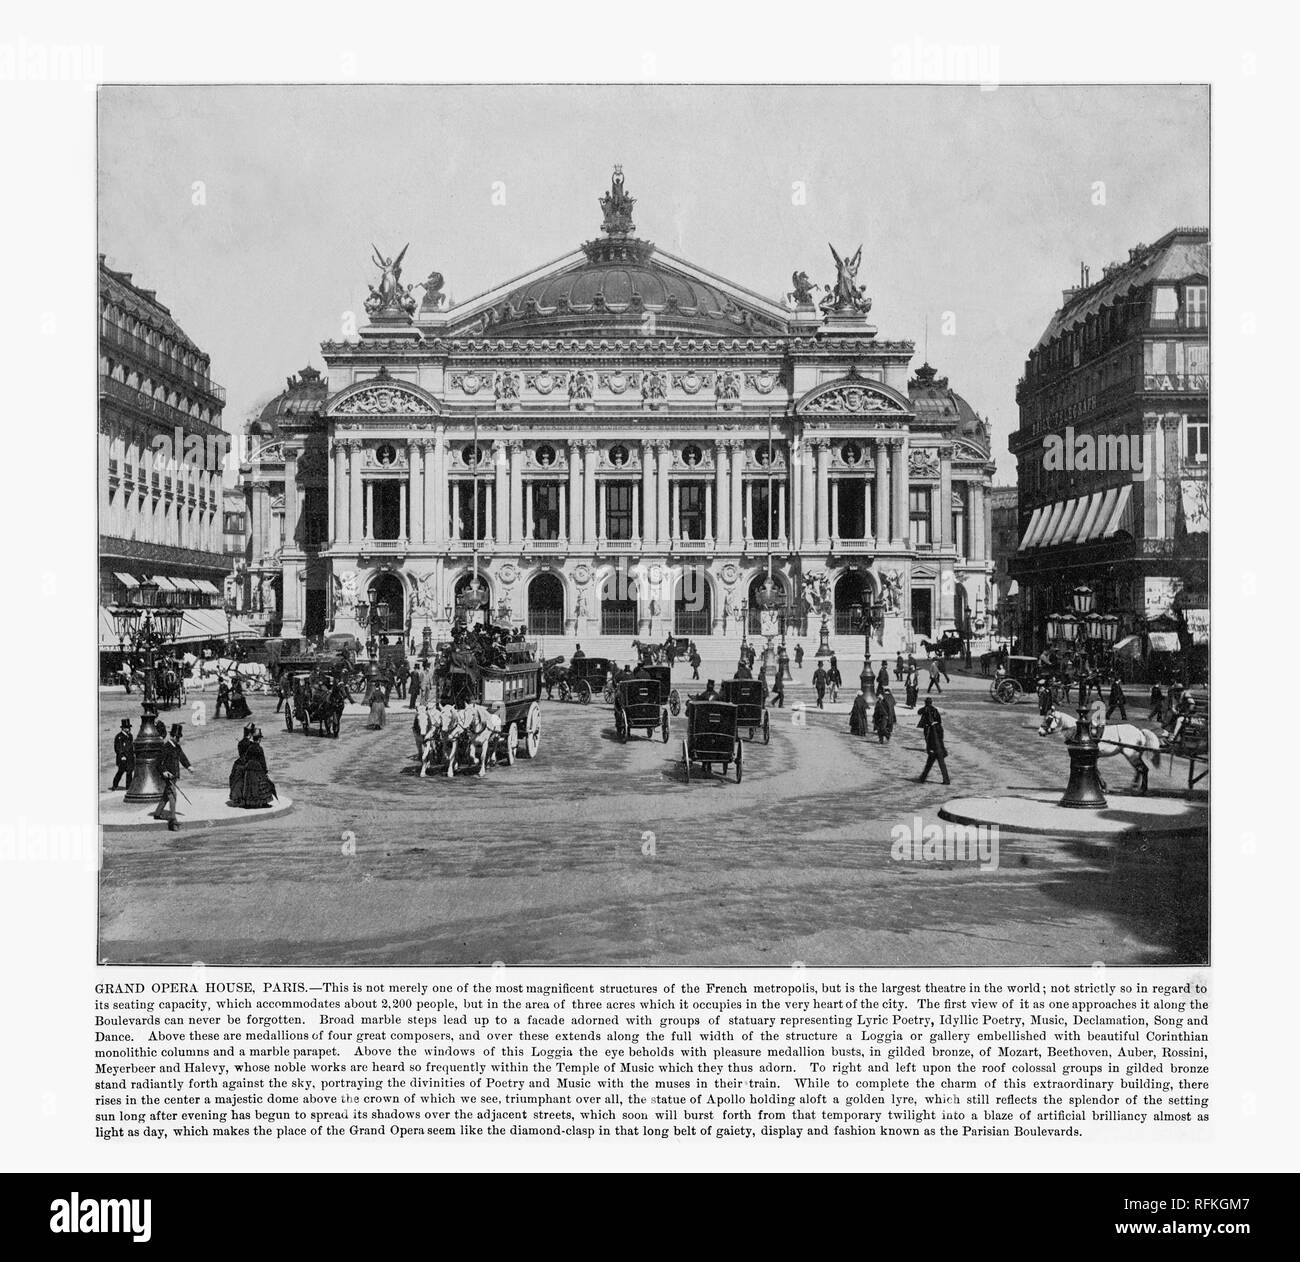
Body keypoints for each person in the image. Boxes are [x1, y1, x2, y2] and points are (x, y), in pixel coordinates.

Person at [151, 724, 191, 831]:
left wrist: (189, 766)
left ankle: (157, 813)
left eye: (179, 737)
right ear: (172, 736)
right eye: (176, 737)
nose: (178, 739)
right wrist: (164, 771)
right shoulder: (166, 747)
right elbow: (158, 763)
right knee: (173, 795)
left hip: (174, 776)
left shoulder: (177, 747)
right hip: (168, 777)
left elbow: (182, 757)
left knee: (166, 795)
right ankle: (173, 820)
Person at [229, 727, 277, 809]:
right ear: (259, 739)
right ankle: (263, 802)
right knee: (261, 786)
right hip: (258, 769)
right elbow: (262, 760)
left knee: (250, 787)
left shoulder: (250, 747)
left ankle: (249, 803)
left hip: (249, 769)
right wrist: (264, 770)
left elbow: (246, 757)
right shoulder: (259, 748)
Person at [917, 699, 950, 785]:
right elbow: (940, 739)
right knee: (941, 766)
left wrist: (930, 749)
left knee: (929, 765)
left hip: (934, 750)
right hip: (939, 749)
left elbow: (932, 740)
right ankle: (946, 780)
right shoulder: (939, 727)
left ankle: (922, 778)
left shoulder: (932, 729)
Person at [111, 719, 134, 790]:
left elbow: (131, 746)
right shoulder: (119, 737)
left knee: (129, 772)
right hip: (123, 758)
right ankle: (115, 785)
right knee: (120, 771)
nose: (128, 729)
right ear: (123, 728)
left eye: (129, 728)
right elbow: (118, 748)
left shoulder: (130, 735)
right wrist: (122, 756)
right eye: (126, 728)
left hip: (129, 757)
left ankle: (128, 786)